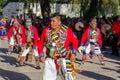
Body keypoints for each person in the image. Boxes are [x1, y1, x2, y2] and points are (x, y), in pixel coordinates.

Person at [38, 13, 78, 80]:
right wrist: (41, 55)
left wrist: (73, 53)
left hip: (65, 58)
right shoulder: (46, 30)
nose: (51, 23)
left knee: (69, 78)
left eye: (53, 21)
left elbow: (75, 41)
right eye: (51, 21)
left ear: (59, 22)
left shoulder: (67, 30)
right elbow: (40, 43)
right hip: (50, 59)